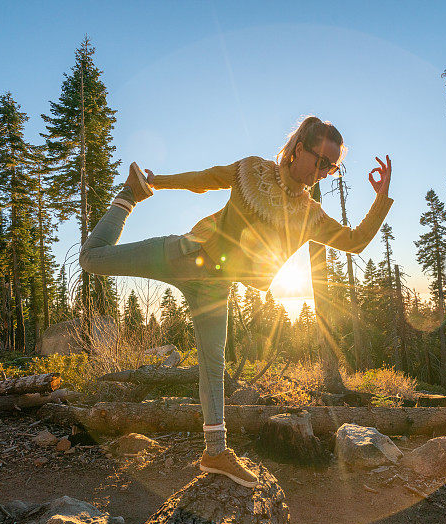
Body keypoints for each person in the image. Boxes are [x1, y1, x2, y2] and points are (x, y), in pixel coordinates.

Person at [79, 116, 393, 488]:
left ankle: (215, 452)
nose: (324, 172)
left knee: (213, 365)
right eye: (321, 161)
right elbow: (206, 179)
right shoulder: (252, 170)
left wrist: (380, 198)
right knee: (91, 259)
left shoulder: (310, 214)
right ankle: (128, 196)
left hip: (216, 288)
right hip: (186, 254)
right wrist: (153, 183)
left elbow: (354, 242)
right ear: (297, 151)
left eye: (333, 167)